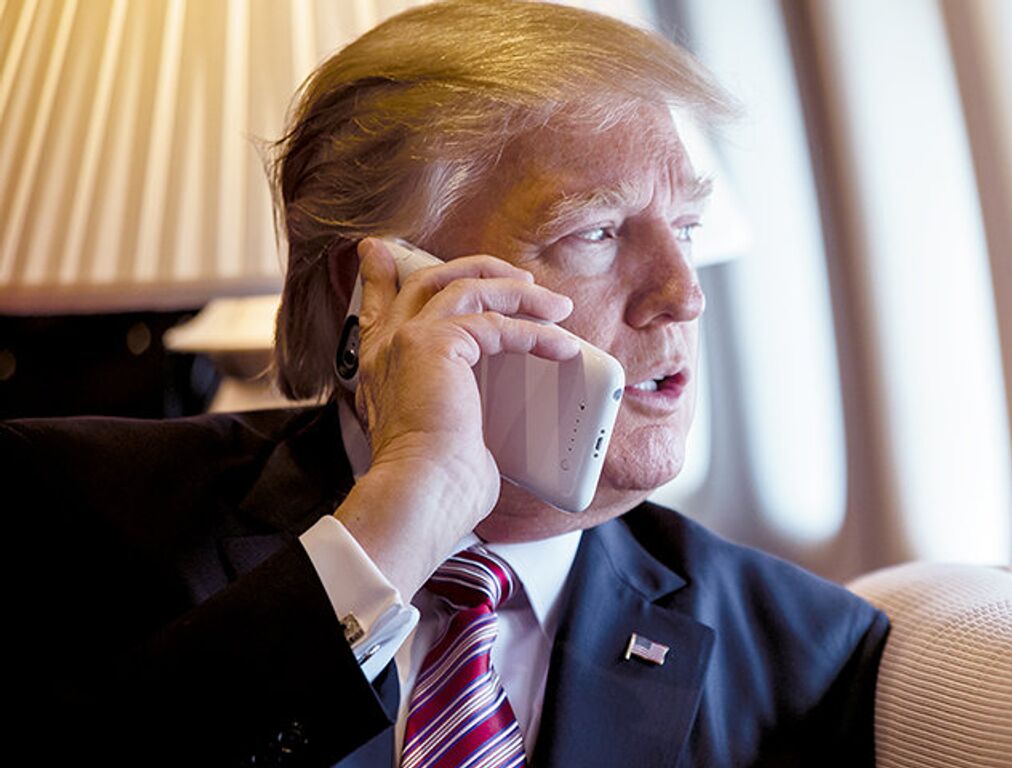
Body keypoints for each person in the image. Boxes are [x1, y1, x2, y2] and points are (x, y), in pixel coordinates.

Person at [5, 1, 887, 765]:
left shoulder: (806, 651)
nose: (683, 294)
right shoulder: (70, 509)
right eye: (597, 233)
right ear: (381, 292)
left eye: (686, 228)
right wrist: (404, 517)